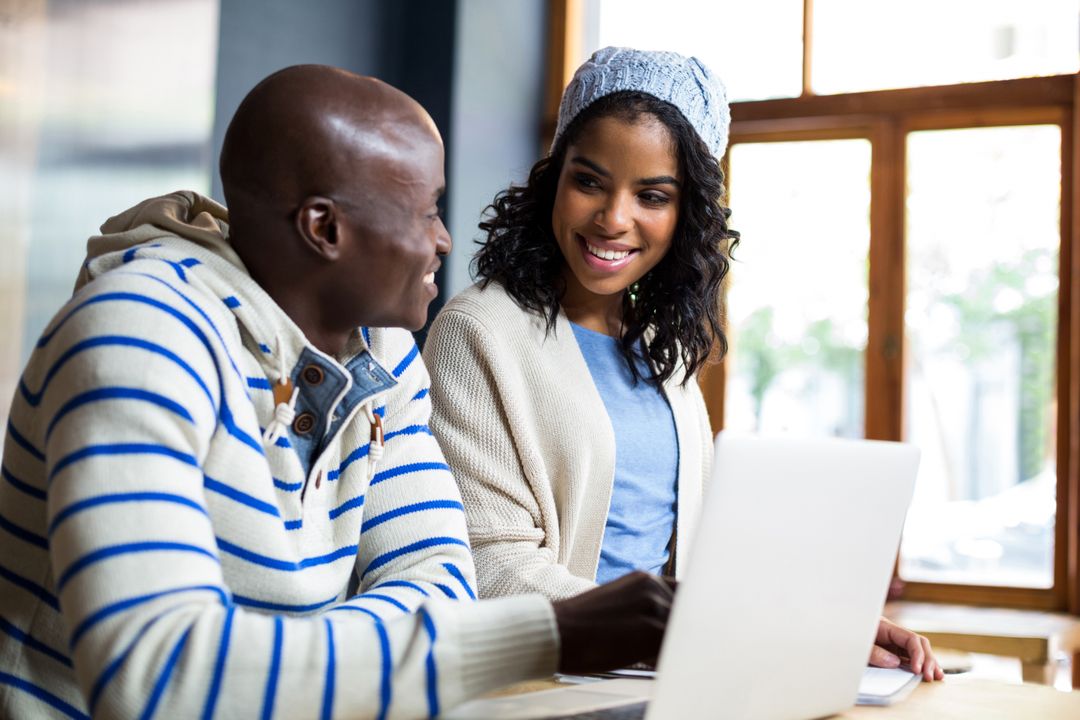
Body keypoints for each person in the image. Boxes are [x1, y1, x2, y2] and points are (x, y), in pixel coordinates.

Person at [0, 64, 677, 719]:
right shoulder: (139, 336)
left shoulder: (386, 353)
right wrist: (544, 635)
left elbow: (440, 586)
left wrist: (262, 664)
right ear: (325, 228)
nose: (443, 240)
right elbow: (160, 677)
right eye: (424, 211)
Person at [423, 47, 944, 681]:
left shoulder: (659, 355)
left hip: (664, 676)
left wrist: (820, 621)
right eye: (588, 181)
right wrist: (684, 630)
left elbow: (686, 562)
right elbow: (486, 565)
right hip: (550, 684)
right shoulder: (477, 333)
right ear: (553, 180)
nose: (614, 218)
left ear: (685, 213)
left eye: (652, 195)